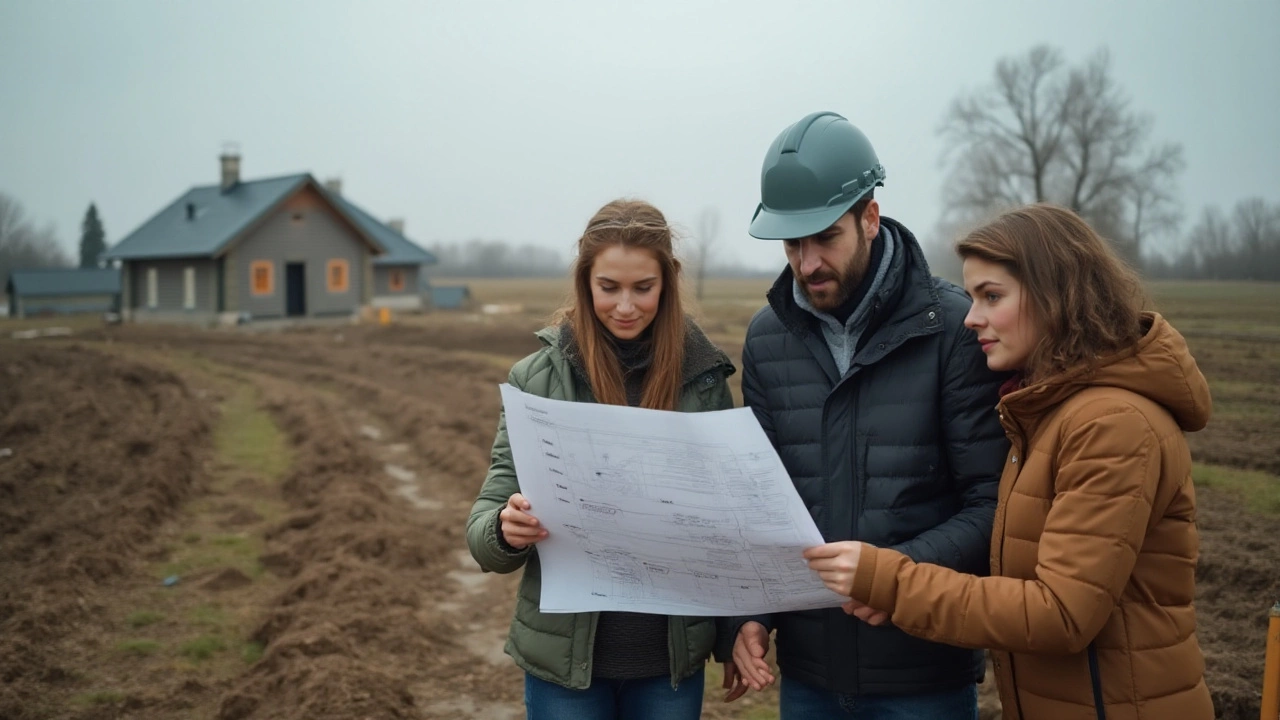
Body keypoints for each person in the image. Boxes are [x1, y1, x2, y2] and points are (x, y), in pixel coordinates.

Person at [804, 203, 1215, 720]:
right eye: (973, 296)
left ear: (1057, 296)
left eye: (992, 297)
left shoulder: (1110, 424)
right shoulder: (1049, 414)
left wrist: (891, 581)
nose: (972, 317)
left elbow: (1060, 613)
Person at [721, 110, 1009, 718]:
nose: (807, 263)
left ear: (870, 218)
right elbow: (761, 502)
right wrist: (752, 615)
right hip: (810, 676)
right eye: (792, 243)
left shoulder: (955, 329)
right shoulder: (768, 339)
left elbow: (993, 505)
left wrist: (896, 579)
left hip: (924, 676)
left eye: (825, 237)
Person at [466, 198, 736, 720]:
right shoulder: (537, 379)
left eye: (643, 288)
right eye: (609, 288)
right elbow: (484, 533)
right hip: (566, 671)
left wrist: (731, 638)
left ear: (670, 281)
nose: (626, 306)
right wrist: (505, 529)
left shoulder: (702, 382)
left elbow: (724, 533)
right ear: (586, 281)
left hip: (668, 668)